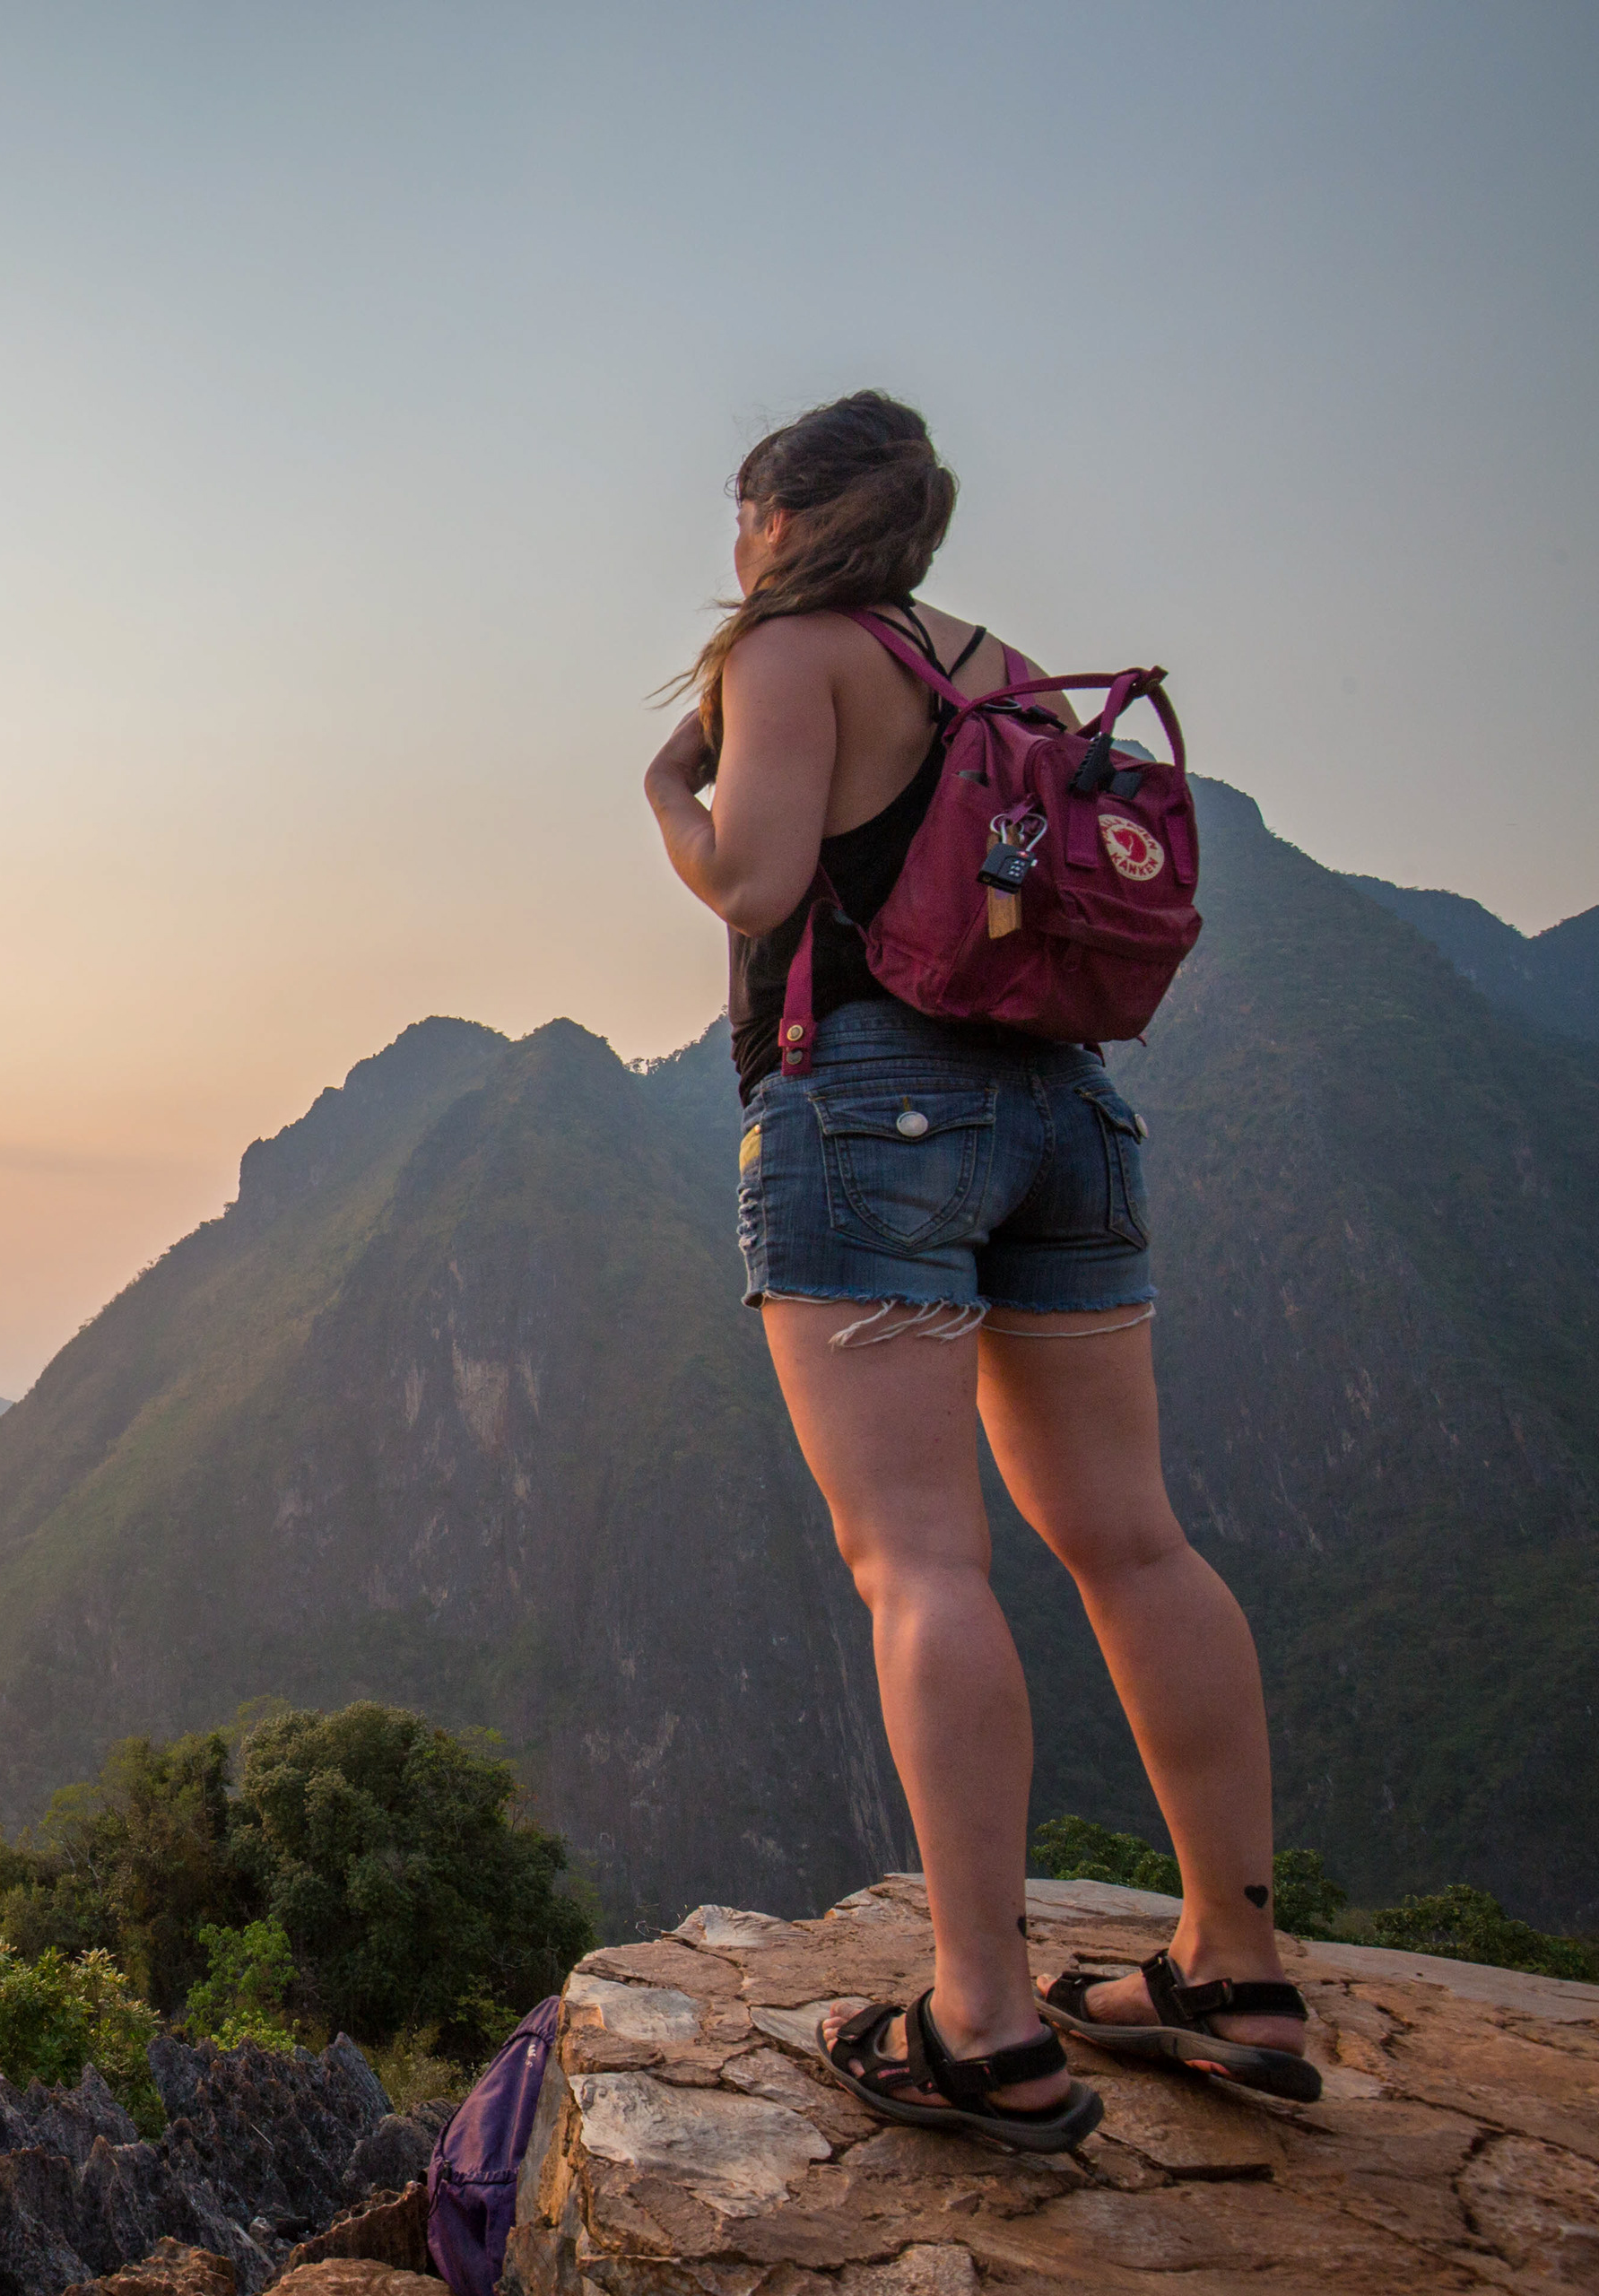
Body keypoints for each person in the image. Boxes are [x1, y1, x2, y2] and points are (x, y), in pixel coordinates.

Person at [638, 390, 1315, 2152]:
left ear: (785, 519)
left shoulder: (791, 653)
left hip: (874, 1111)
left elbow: (755, 876)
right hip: (1064, 1113)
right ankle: (1234, 1965)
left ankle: (985, 2019)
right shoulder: (998, 666)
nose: (733, 546)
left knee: (921, 1554)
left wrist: (668, 796)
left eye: (740, 516)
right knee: (1135, 1535)